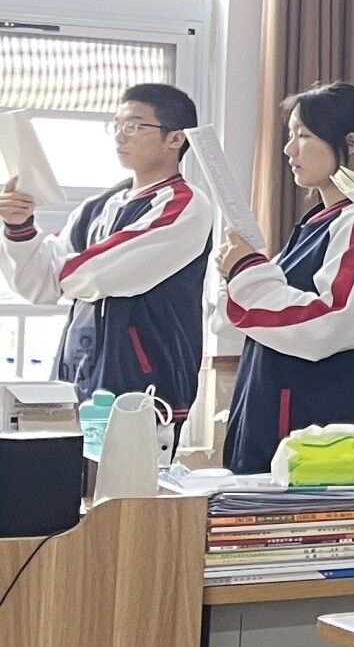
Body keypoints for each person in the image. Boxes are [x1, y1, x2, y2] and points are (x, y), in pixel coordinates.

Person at [218, 83, 354, 472]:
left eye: (304, 135)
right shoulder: (320, 221)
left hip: (324, 451)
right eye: (291, 135)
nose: (289, 149)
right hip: (285, 439)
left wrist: (246, 271)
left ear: (351, 143)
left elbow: (331, 319)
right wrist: (240, 272)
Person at [0, 82, 214, 414]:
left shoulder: (185, 204)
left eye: (134, 126)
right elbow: (39, 284)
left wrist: (58, 273)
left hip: (145, 385)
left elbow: (102, 274)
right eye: (117, 125)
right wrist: (20, 227)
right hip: (80, 373)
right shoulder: (96, 207)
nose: (120, 136)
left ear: (175, 139)